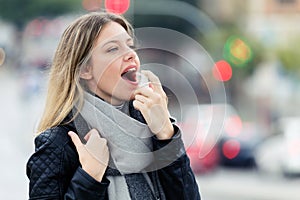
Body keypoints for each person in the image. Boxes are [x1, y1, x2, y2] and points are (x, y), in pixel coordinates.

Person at [26, 11, 201, 200]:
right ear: (85, 69)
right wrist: (89, 177)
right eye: (113, 49)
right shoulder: (58, 144)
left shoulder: (153, 130)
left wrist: (166, 132)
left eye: (130, 45)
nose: (131, 55)